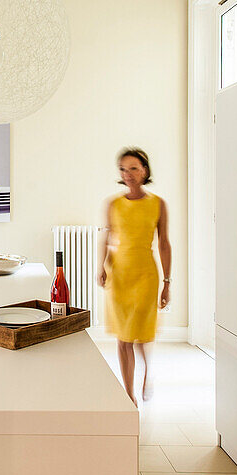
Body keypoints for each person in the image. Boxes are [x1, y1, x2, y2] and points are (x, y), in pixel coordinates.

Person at [97, 147, 171, 405]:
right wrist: (101, 266)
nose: (127, 174)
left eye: (133, 168)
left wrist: (167, 283)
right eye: (123, 169)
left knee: (142, 335)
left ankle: (147, 370)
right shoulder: (113, 204)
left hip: (146, 276)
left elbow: (164, 244)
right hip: (120, 276)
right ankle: (128, 394)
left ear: (145, 171)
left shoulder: (158, 204)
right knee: (123, 337)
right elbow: (107, 238)